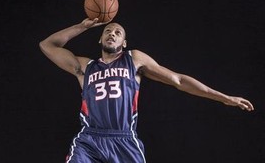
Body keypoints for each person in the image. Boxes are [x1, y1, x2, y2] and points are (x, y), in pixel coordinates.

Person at [39, 17, 254, 163]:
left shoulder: (134, 60)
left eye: (118, 32)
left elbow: (178, 80)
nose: (112, 34)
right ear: (100, 38)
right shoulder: (85, 67)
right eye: (107, 31)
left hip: (124, 139)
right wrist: (83, 26)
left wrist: (223, 97)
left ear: (124, 43)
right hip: (89, 139)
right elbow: (48, 45)